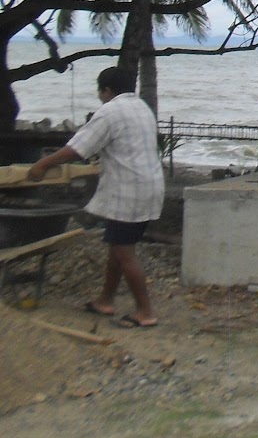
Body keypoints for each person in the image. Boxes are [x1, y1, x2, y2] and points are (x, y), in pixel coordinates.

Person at [27, 66, 164, 328]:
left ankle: (145, 312)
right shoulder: (142, 108)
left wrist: (43, 164)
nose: (100, 97)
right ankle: (105, 300)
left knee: (125, 252)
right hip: (149, 186)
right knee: (117, 246)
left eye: (100, 92)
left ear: (107, 90)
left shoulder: (110, 111)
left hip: (129, 192)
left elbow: (78, 149)